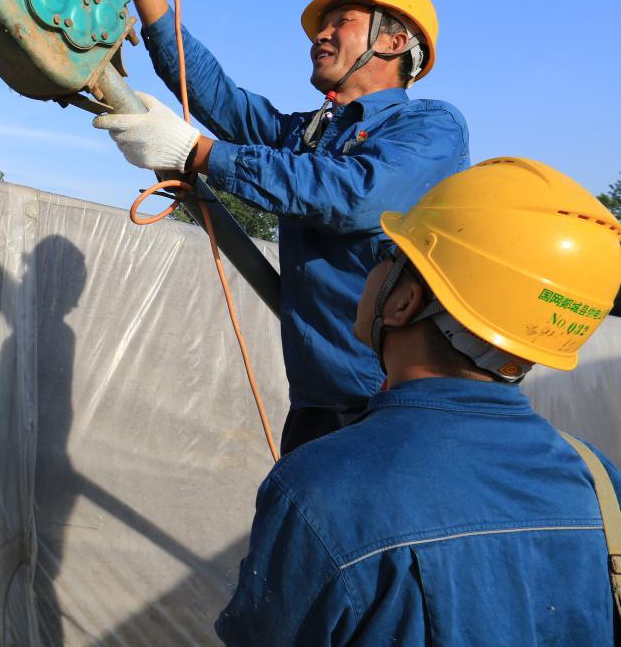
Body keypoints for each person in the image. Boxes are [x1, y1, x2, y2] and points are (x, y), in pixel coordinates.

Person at [215, 157, 621, 644]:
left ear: (403, 301)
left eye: (386, 254)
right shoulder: (599, 480)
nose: (373, 269)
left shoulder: (320, 489)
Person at [96, 0, 470, 453]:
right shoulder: (311, 135)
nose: (321, 34)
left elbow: (354, 195)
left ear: (395, 41)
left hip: (396, 402)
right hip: (318, 398)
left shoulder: (429, 126)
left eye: (342, 21)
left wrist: (199, 152)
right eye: (323, 25)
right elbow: (219, 98)